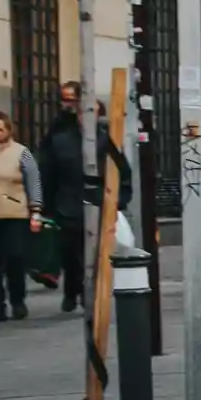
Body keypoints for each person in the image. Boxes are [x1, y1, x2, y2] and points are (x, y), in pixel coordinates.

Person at [39, 81, 132, 312]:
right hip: (67, 207)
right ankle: (73, 291)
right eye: (84, 114)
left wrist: (119, 200)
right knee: (71, 255)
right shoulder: (60, 141)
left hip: (98, 204)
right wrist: (45, 208)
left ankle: (89, 293)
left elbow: (122, 172)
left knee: (94, 254)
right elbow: (48, 174)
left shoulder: (107, 141)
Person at [0, 111, 45, 322]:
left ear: (9, 130)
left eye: (0, 129)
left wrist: (36, 210)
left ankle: (18, 300)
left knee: (15, 257)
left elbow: (33, 181)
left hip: (13, 212)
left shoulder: (21, 153)